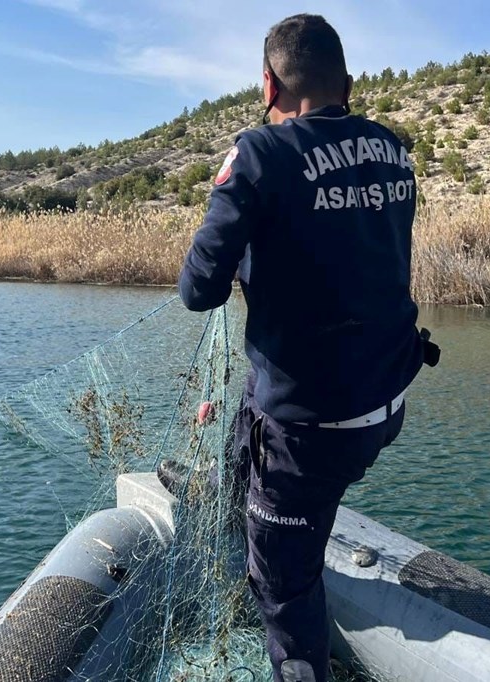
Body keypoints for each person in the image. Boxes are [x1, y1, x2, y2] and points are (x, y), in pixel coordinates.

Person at [175, 13, 435, 682]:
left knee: (286, 589)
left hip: (309, 428)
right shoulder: (393, 149)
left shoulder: (260, 153)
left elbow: (198, 289)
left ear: (268, 83)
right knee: (247, 433)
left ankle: (278, 599)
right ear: (346, 83)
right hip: (385, 401)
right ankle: (249, 518)